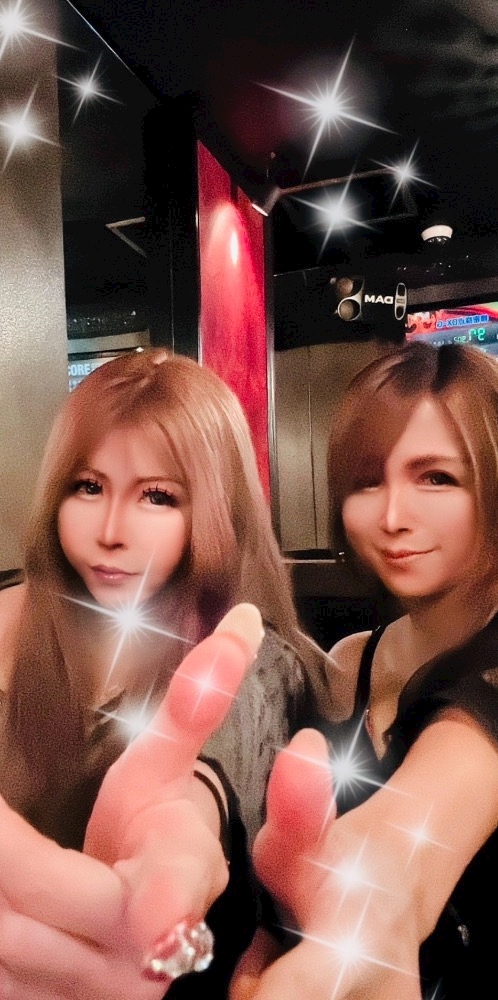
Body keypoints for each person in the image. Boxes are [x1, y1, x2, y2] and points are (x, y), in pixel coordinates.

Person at [0, 347, 323, 999]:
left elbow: (202, 785)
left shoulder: (254, 655)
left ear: (215, 507)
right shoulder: (15, 617)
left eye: (156, 496)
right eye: (88, 487)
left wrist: (175, 850)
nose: (111, 530)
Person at [231, 341, 498, 1000]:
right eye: (369, 481)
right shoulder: (350, 662)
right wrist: (268, 948)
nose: (393, 517)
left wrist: (372, 914)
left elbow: (404, 856)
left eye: (437, 478)